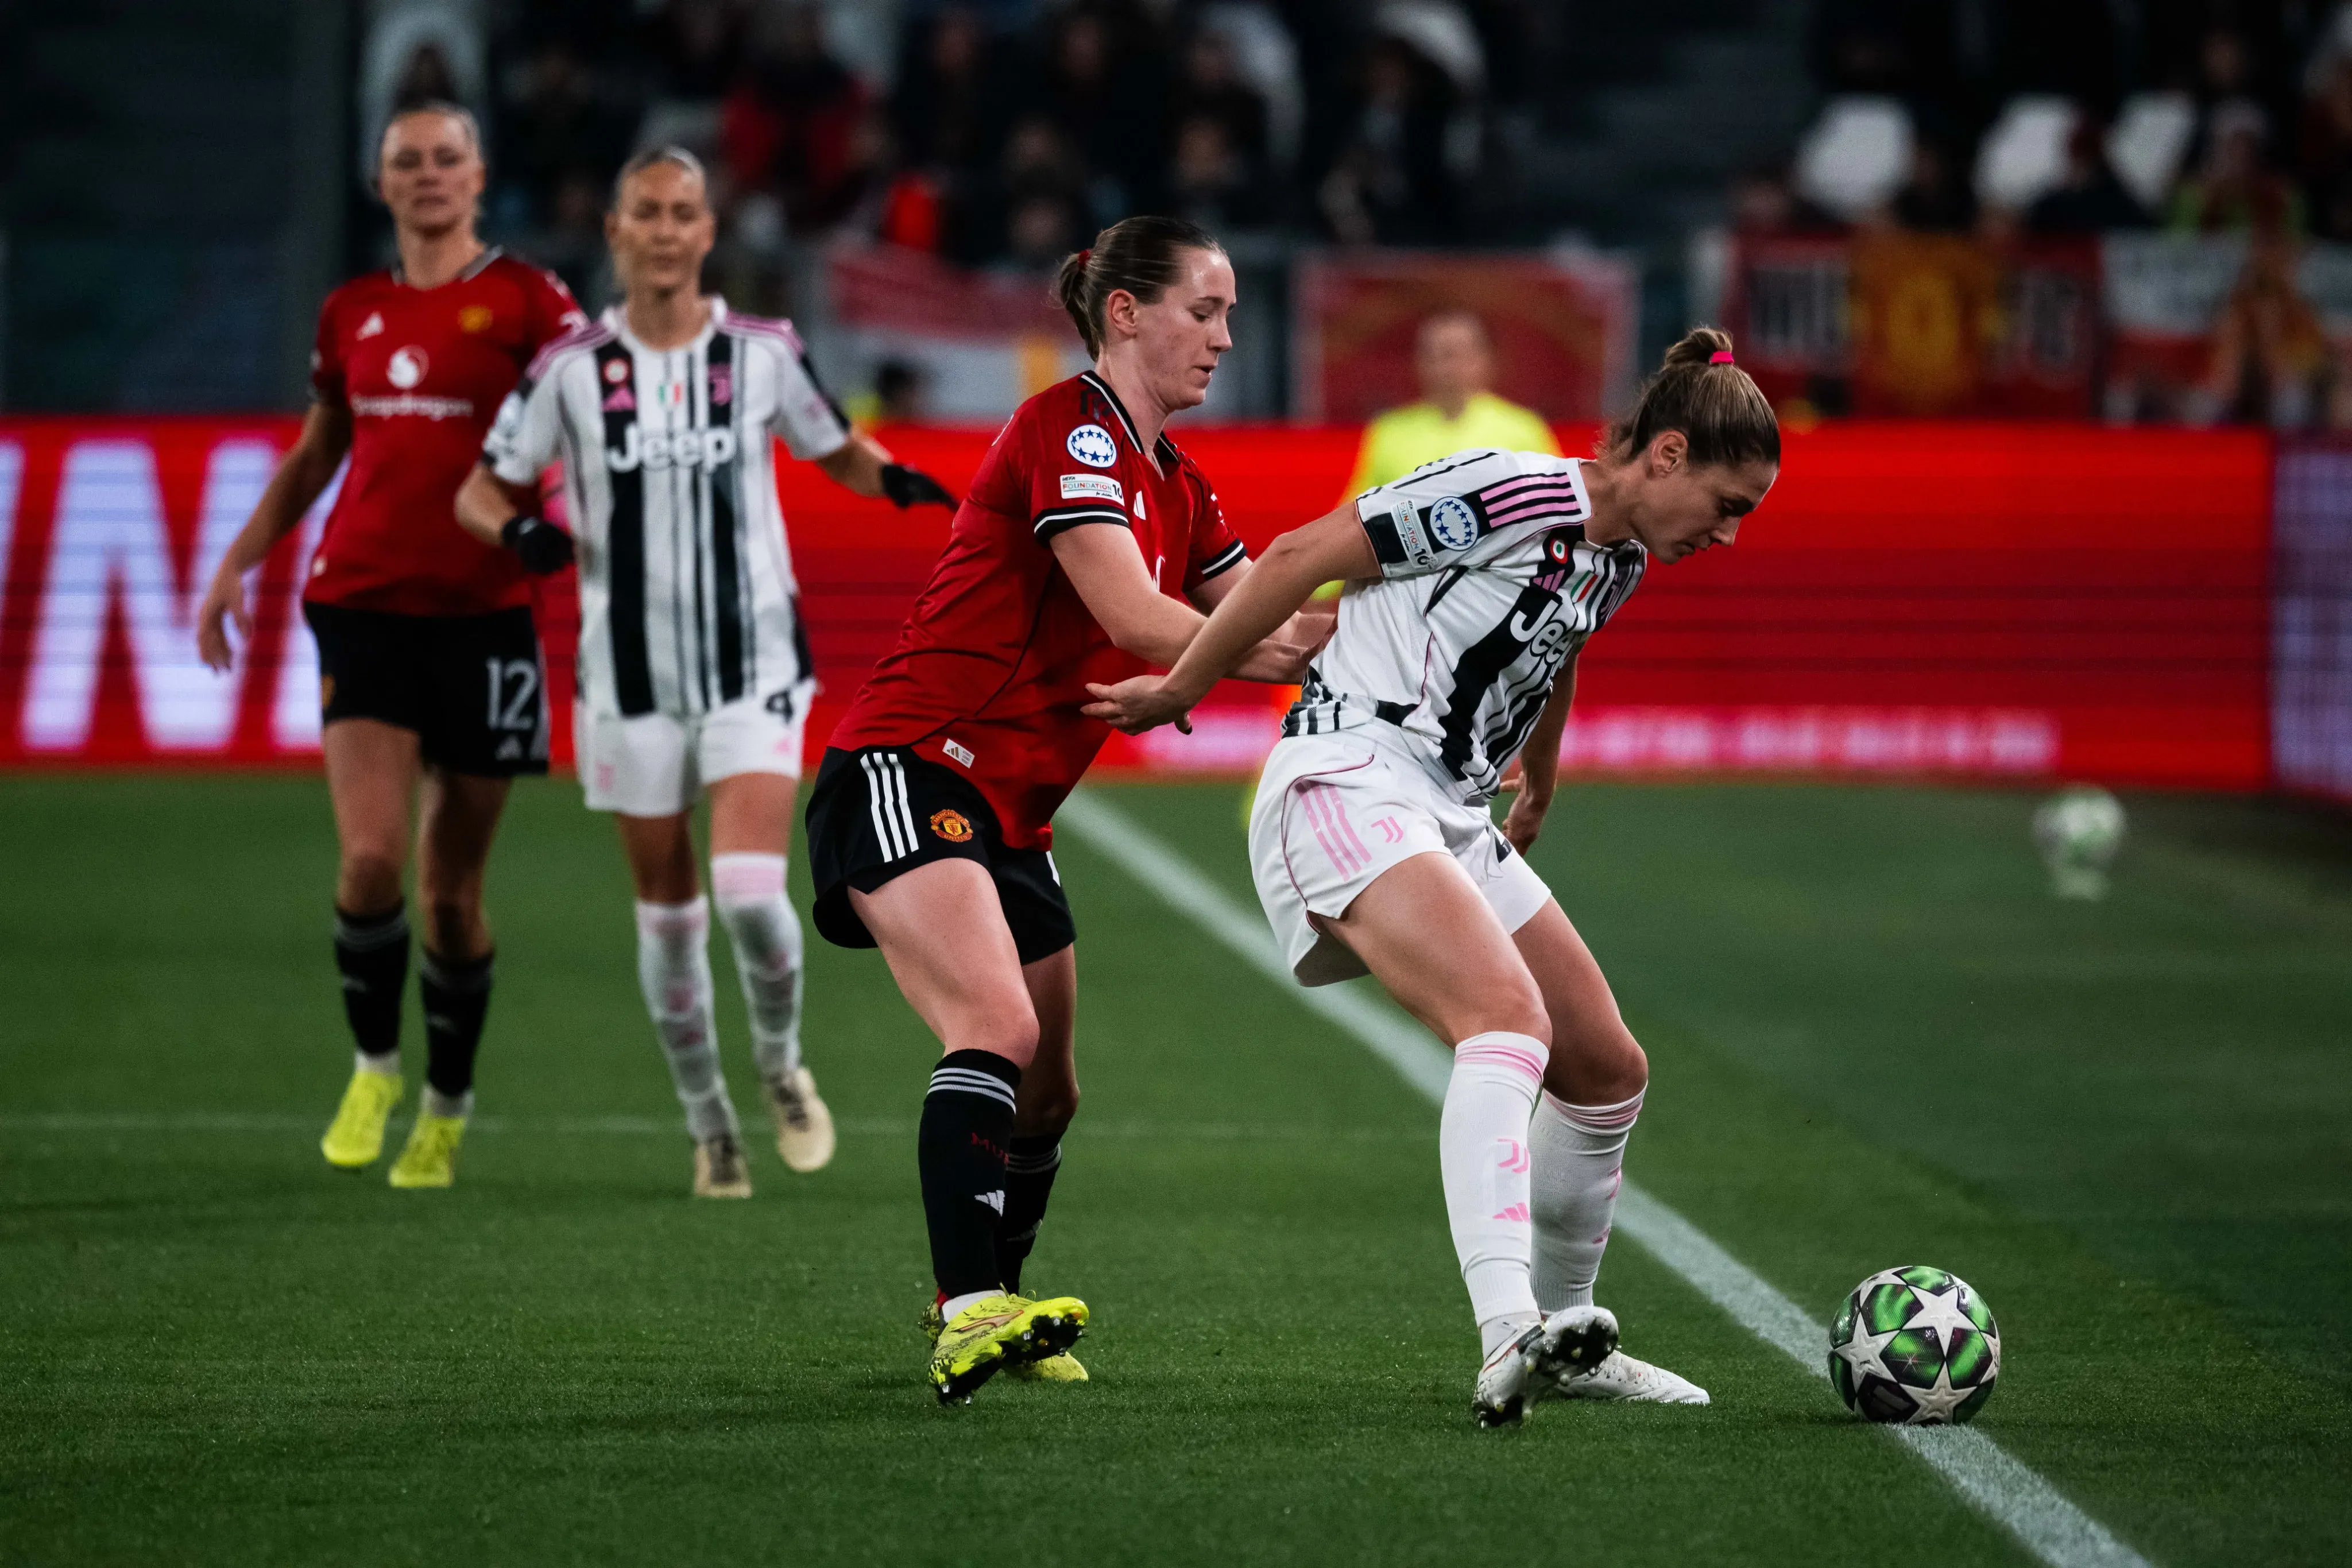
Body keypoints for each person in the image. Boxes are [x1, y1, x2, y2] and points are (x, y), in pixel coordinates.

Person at [1084, 326, 1781, 1425]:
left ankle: (1571, 1333)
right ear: (1666, 456)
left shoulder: (1625, 553)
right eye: (1729, 502)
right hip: (1348, 775)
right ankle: (1508, 1330)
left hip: (1445, 808)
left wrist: (1538, 780)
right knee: (1506, 1022)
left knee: (1605, 1067)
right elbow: (1295, 557)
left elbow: (1560, 647)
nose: (1731, 534)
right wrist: (1181, 690)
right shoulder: (1509, 492)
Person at [803, 216, 1327, 1401]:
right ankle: (966, 1310)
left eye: (1231, 312)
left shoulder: (1180, 485)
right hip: (910, 762)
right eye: (1204, 309)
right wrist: (1229, 663)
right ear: (1124, 311)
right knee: (995, 1023)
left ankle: (1002, 1301)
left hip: (1013, 815)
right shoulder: (1066, 427)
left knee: (1050, 1090)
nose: (1223, 337)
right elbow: (1140, 619)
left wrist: (1406, 634)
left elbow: (1270, 629)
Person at [455, 148, 957, 1198]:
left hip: (754, 665)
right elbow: (480, 492)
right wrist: (522, 535)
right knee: (670, 919)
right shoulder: (569, 371)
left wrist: (897, 479)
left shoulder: (764, 353)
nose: (670, 230)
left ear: (708, 230)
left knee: (748, 895)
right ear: (616, 231)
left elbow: (833, 445)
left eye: (687, 211)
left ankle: (779, 1065)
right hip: (627, 681)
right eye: (649, 212)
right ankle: (708, 1122)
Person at [196, 103, 586, 1189]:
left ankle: (447, 1100)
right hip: (361, 602)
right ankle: (374, 1063)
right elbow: (322, 450)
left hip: (484, 615)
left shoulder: (527, 301)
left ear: (479, 174)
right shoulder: (352, 312)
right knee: (369, 861)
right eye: (406, 161)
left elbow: (586, 428)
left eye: (445, 158)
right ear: (381, 184)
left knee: (451, 892)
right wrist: (237, 561)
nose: (426, 175)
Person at [1345, 311, 1558, 498]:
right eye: (1432, 356)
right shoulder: (1389, 431)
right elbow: (1357, 510)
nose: (1443, 368)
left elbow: (1556, 500)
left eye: (1452, 355)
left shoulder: (1523, 428)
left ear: (1483, 359)